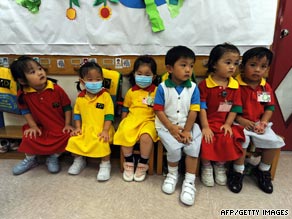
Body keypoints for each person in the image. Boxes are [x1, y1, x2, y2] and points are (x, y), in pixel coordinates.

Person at [227, 47, 285, 194]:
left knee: (273, 141)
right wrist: (241, 120)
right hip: (237, 121)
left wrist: (263, 123)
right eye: (253, 65)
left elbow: (269, 108)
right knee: (242, 140)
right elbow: (231, 108)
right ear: (242, 67)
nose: (258, 70)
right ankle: (238, 171)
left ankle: (263, 170)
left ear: (267, 69)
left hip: (259, 123)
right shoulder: (235, 85)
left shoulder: (265, 87)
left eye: (263, 66)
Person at [153, 46, 202, 206]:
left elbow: (194, 111)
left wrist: (187, 130)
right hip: (166, 125)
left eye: (191, 66)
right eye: (183, 65)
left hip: (188, 125)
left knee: (192, 148)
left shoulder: (194, 88)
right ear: (169, 68)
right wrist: (171, 128)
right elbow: (158, 110)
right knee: (174, 148)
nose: (188, 70)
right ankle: (172, 174)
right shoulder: (162, 87)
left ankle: (189, 181)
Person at [9, 56, 73, 175]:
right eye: (33, 72)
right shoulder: (23, 94)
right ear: (22, 81)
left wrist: (68, 124)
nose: (39, 73)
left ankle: (53, 157)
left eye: (39, 69)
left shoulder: (56, 89)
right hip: (39, 127)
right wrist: (33, 126)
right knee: (29, 136)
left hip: (57, 127)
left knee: (69, 136)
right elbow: (25, 111)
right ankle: (30, 159)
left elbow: (67, 107)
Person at [198, 43, 245, 187]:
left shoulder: (235, 86)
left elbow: (235, 108)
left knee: (227, 137)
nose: (232, 67)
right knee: (206, 138)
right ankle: (206, 166)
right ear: (214, 64)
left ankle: (220, 165)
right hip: (207, 121)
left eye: (235, 63)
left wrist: (228, 124)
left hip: (224, 122)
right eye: (228, 62)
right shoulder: (205, 85)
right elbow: (202, 107)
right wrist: (205, 126)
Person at [66, 62, 115, 181]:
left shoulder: (105, 96)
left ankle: (105, 164)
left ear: (102, 80)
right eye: (90, 79)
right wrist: (78, 128)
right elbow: (77, 114)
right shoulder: (80, 97)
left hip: (103, 128)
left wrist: (105, 130)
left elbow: (109, 116)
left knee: (102, 141)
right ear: (82, 81)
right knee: (74, 140)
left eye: (98, 79)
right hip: (86, 128)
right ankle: (79, 161)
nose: (94, 82)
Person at [114, 55, 159, 182]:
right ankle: (129, 161)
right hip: (132, 119)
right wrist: (123, 121)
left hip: (149, 120)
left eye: (147, 74)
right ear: (134, 74)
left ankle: (143, 163)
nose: (142, 77)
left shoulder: (157, 91)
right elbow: (125, 109)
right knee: (124, 131)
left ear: (153, 77)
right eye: (139, 73)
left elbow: (160, 110)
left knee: (146, 137)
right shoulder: (131, 92)